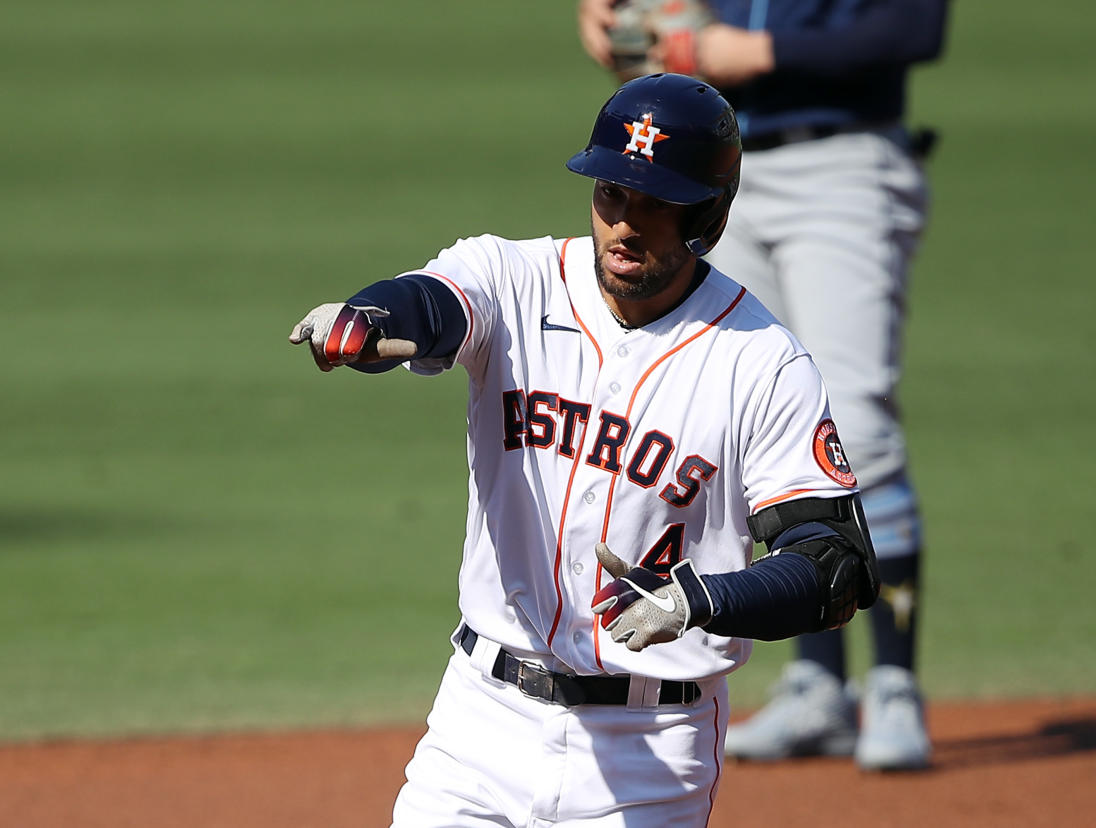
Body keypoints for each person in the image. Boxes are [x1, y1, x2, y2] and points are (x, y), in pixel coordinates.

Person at [288, 73, 882, 826]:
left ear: (710, 214)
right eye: (611, 196)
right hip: (480, 727)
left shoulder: (761, 362)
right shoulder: (514, 277)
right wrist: (370, 316)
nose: (625, 225)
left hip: (652, 753)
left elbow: (834, 568)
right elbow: (433, 303)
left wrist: (700, 599)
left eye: (655, 204)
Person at [578, 1, 950, 771]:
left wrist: (756, 49)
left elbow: (914, 28)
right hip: (713, 179)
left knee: (855, 423)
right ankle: (815, 683)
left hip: (841, 162)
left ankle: (891, 685)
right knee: (748, 422)